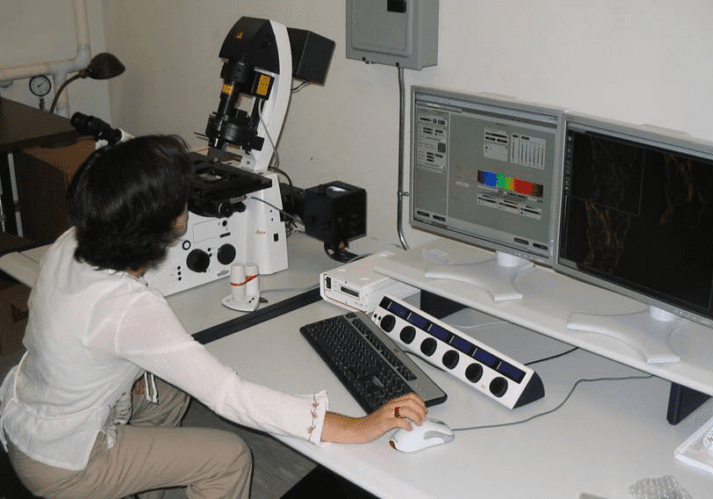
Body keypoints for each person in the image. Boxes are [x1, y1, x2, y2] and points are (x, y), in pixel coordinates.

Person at [0, 135, 427, 499]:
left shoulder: (73, 241)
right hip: (64, 460)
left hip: (32, 415)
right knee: (228, 458)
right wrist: (357, 428)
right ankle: (122, 475)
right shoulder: (128, 307)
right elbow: (231, 396)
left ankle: (143, 478)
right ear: (171, 221)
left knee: (167, 390)